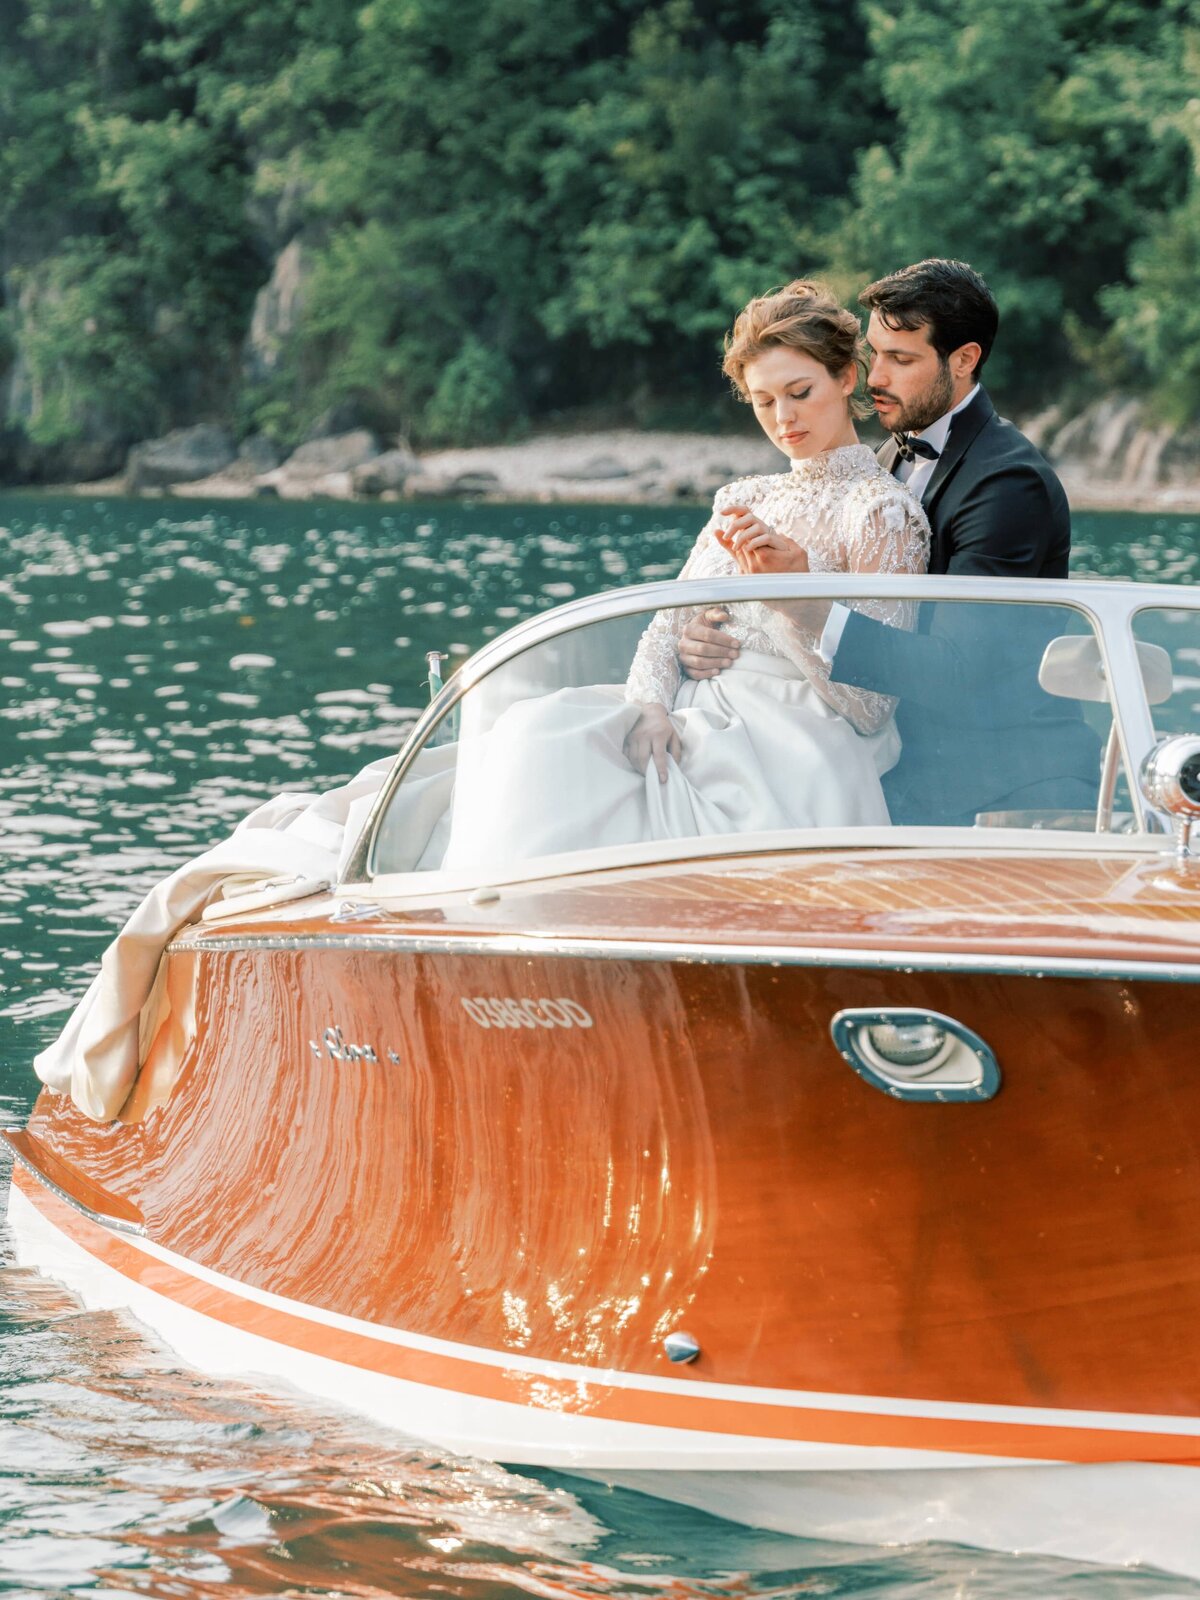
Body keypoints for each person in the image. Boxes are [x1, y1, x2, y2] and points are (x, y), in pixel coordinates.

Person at [439, 281, 930, 870]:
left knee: (554, 772)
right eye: (763, 400)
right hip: (687, 710)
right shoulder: (741, 496)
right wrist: (649, 703)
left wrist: (796, 602)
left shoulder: (881, 511)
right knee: (534, 733)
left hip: (790, 741)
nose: (784, 418)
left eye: (800, 392)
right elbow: (664, 628)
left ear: (847, 377)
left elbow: (873, 707)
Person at [677, 258, 1099, 825]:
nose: (875, 376)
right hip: (907, 779)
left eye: (901, 359)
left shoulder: (1006, 483)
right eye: (875, 353)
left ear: (964, 360)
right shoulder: (884, 463)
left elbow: (963, 670)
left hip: (1008, 791)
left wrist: (808, 606)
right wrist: (713, 641)